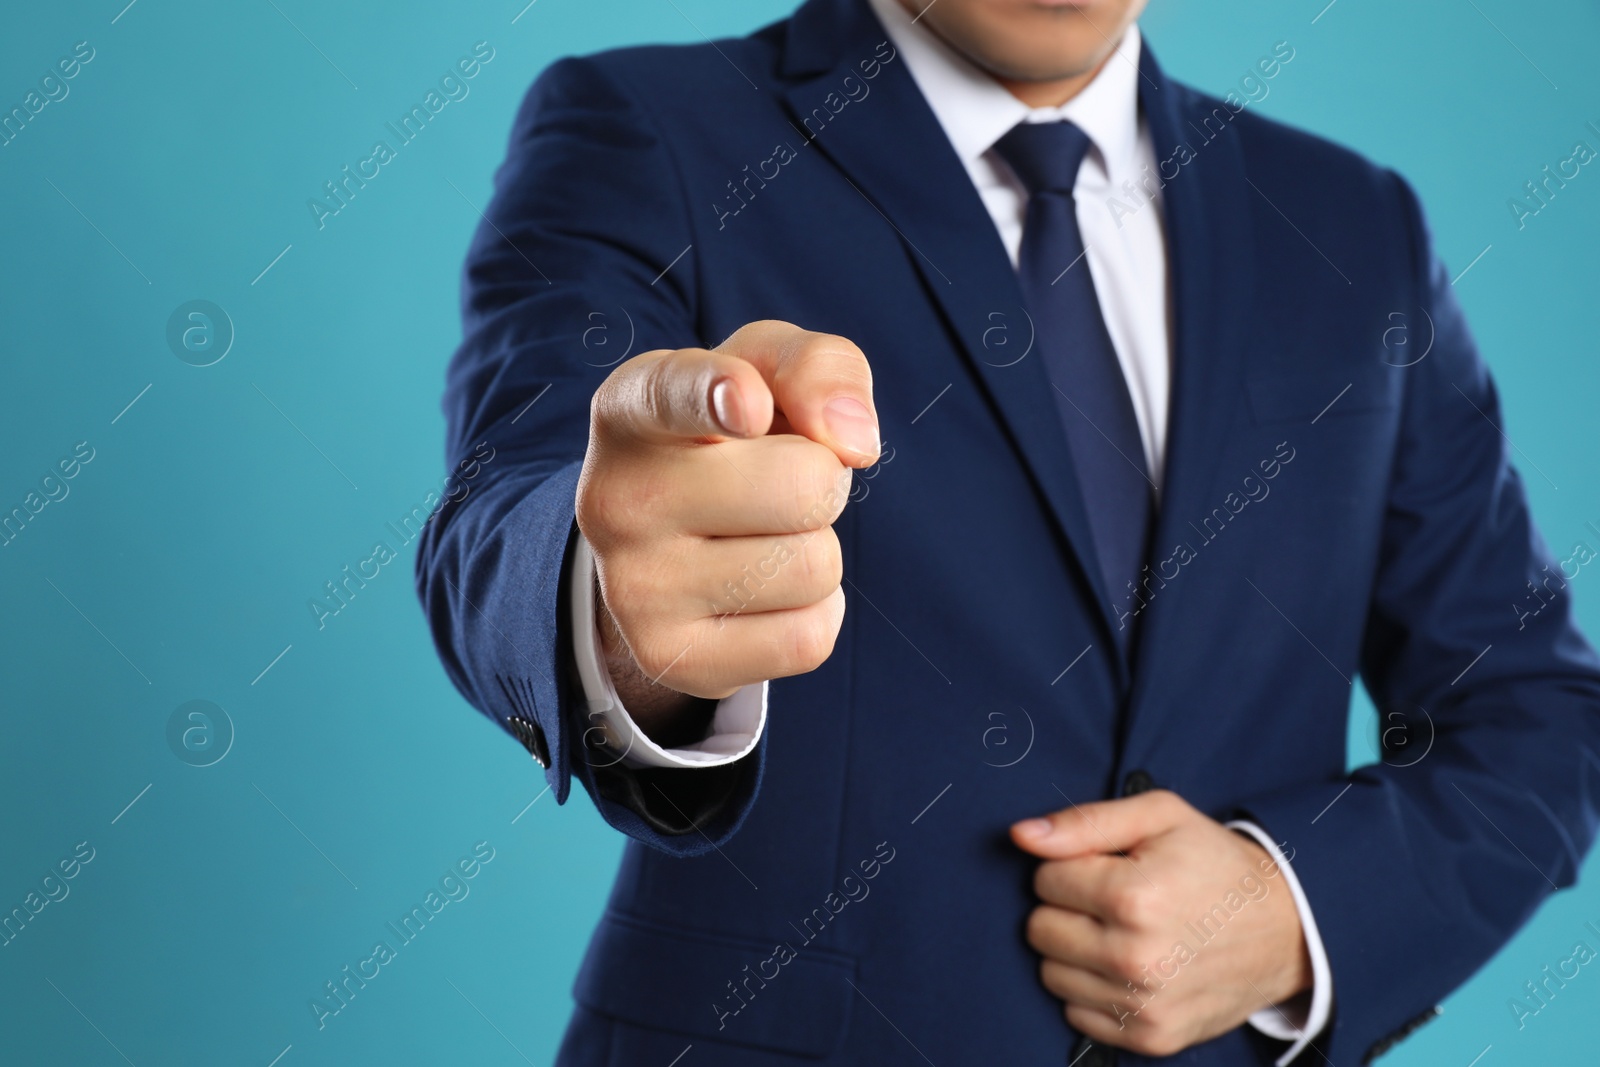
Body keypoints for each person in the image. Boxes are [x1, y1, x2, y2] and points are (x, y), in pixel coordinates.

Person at [416, 0, 1600, 1062]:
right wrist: (614, 610)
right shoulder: (646, 125)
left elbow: (1533, 713)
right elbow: (510, 499)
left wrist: (1295, 907)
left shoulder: (1355, 225)